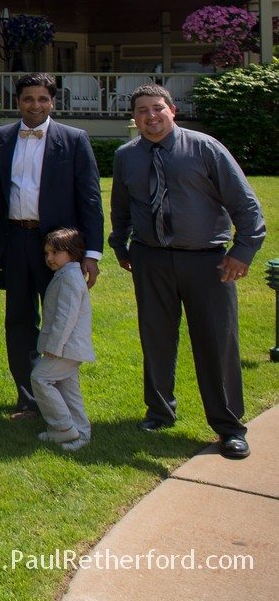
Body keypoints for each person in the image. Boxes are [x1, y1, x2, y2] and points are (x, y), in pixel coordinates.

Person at [110, 84, 266, 461]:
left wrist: (242, 252)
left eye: (157, 108)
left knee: (216, 342)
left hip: (206, 262)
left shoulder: (205, 149)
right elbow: (121, 208)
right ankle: (160, 411)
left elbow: (246, 207)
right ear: (134, 118)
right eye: (142, 111)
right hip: (151, 260)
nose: (150, 116)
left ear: (172, 110)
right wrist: (122, 245)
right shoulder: (126, 156)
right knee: (156, 337)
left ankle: (229, 427)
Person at [0, 73, 103, 420]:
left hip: (57, 246)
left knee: (60, 323)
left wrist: (91, 254)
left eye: (42, 99)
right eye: (27, 99)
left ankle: (62, 394)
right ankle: (29, 398)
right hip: (15, 241)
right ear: (18, 101)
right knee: (19, 321)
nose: (34, 105)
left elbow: (90, 199)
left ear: (53, 102)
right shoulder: (0, 139)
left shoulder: (73, 140)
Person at [33, 228, 95, 452]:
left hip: (65, 348)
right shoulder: (66, 274)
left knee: (40, 378)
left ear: (72, 252)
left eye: (55, 253)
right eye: (47, 253)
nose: (49, 258)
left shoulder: (69, 277)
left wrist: (54, 347)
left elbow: (65, 317)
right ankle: (81, 433)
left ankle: (63, 428)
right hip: (68, 348)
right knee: (69, 390)